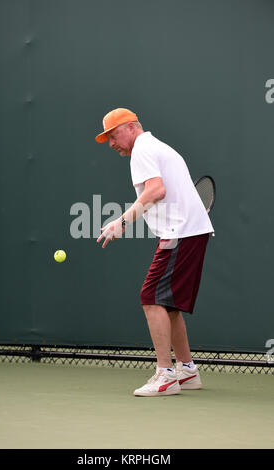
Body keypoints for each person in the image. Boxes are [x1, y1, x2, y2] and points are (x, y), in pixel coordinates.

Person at [96, 108, 214, 397]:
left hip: (180, 233)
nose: (111, 144)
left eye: (113, 136)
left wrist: (121, 222)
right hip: (190, 231)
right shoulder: (154, 146)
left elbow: (156, 190)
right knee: (168, 304)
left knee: (151, 298)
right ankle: (186, 370)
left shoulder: (142, 150)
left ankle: (165, 376)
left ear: (131, 127)